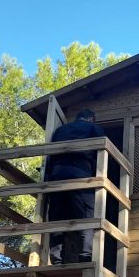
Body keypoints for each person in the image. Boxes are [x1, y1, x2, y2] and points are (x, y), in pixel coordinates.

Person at [46, 109, 105, 264]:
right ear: (91, 119)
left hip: (57, 174)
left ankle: (56, 257)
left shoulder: (60, 130)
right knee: (86, 213)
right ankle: (86, 253)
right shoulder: (93, 128)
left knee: (57, 214)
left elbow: (49, 155)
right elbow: (102, 150)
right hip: (81, 172)